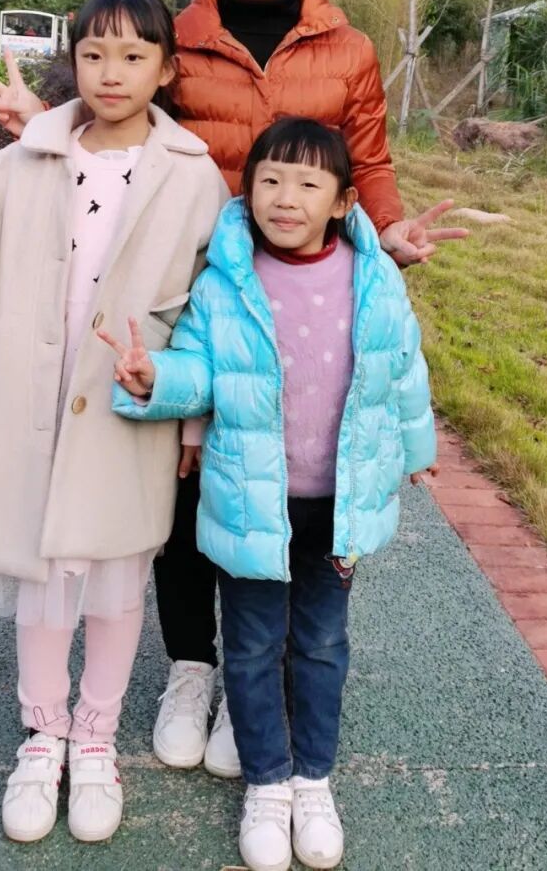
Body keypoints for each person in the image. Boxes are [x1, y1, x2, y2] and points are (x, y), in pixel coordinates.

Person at [0, 0, 467, 778]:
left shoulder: (348, 48)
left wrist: (389, 230)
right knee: (186, 482)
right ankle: (192, 669)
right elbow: (122, 110)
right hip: (196, 280)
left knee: (284, 480)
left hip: (304, 288)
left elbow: (367, 159)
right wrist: (44, 121)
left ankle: (255, 682)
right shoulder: (186, 34)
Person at [0, 0, 227, 846]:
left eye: (133, 56)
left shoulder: (195, 176)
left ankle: (97, 734)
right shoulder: (17, 163)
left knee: (115, 576)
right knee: (42, 577)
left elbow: (207, 309)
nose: (112, 72)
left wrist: (190, 414)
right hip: (30, 401)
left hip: (128, 406)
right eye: (93, 54)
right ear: (71, 61)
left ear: (167, 67)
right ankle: (43, 734)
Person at [101, 118, 437, 871]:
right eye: (270, 181)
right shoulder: (227, 280)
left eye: (308, 184)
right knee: (252, 648)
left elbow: (403, 365)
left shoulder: (372, 278)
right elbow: (198, 367)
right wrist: (154, 379)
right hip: (253, 504)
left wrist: (418, 451)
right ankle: (267, 783)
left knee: (321, 644)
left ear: (343, 200)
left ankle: (313, 779)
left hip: (336, 509)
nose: (286, 198)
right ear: (246, 190)